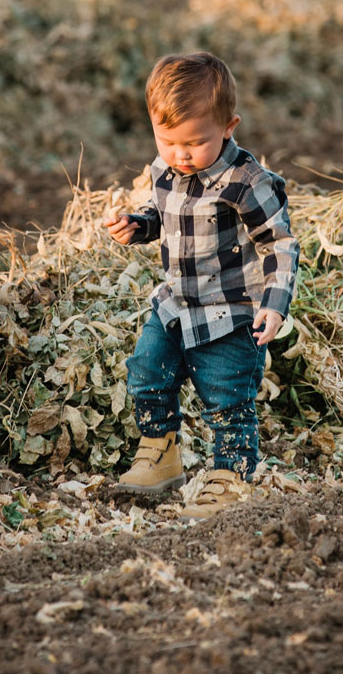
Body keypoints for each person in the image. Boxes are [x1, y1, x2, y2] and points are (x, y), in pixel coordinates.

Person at [104, 51, 300, 520]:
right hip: (176, 303)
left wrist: (275, 304)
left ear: (229, 126)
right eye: (167, 140)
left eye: (194, 143)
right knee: (147, 371)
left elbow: (280, 244)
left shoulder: (246, 182)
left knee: (226, 393)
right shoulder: (165, 169)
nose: (180, 154)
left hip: (231, 311)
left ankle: (231, 473)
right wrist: (139, 224)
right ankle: (161, 450)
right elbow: (166, 217)